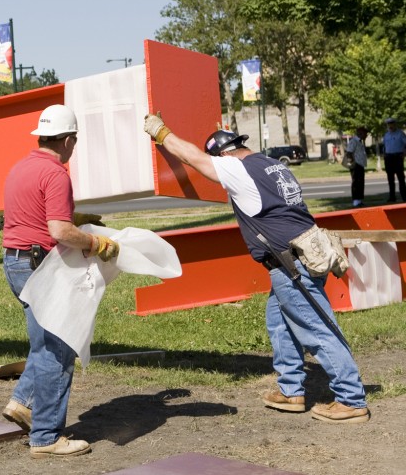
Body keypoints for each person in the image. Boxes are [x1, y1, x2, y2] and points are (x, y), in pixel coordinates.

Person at [143, 114, 369, 423]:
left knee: (318, 330)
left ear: (223, 155)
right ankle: (291, 391)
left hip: (291, 265)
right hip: (299, 256)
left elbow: (192, 158)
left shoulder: (237, 168)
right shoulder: (270, 163)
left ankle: (351, 398)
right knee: (279, 322)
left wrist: (162, 132)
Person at [0, 104, 119, 458]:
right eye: (75, 141)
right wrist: (97, 243)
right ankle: (47, 436)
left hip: (16, 261)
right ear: (68, 139)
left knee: (45, 342)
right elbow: (59, 231)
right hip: (39, 264)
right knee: (59, 346)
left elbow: (33, 215)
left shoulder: (22, 167)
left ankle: (23, 402)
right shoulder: (56, 174)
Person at [382, 117, 406, 203]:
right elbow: (384, 146)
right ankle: (392, 197)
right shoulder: (386, 135)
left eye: (392, 124)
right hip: (389, 157)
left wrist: (404, 153)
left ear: (395, 124)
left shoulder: (400, 134)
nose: (390, 126)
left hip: (398, 156)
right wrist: (384, 155)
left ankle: (404, 196)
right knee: (390, 178)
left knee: (401, 178)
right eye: (389, 124)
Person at [346, 127, 369, 207]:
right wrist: (352, 163)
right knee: (356, 183)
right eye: (365, 133)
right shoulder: (354, 141)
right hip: (356, 165)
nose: (366, 135)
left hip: (360, 164)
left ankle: (359, 200)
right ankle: (356, 201)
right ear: (360, 133)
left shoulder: (360, 142)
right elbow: (349, 152)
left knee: (360, 183)